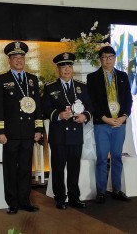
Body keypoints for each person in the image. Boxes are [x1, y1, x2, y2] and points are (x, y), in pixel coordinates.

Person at [0, 41, 43, 214]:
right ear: (9, 60)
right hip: (10, 134)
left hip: (28, 132)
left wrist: (38, 129)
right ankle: (12, 202)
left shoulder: (32, 79)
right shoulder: (2, 79)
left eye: (22, 57)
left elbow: (38, 107)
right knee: (10, 169)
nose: (19, 60)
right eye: (15, 57)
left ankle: (25, 200)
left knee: (25, 168)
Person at [42, 52, 92, 210]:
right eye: (63, 67)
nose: (67, 69)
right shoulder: (50, 87)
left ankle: (74, 197)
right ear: (58, 69)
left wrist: (85, 116)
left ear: (72, 68)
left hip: (76, 134)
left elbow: (90, 107)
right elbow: (45, 109)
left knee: (74, 168)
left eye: (69, 66)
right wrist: (58, 115)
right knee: (57, 168)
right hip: (59, 135)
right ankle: (60, 198)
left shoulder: (81, 87)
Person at [87, 46, 132, 204]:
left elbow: (128, 99)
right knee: (101, 157)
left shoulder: (122, 76)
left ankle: (117, 189)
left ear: (115, 58)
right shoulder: (93, 77)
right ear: (100, 59)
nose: (108, 60)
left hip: (120, 123)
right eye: (104, 57)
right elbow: (92, 102)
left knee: (117, 157)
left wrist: (124, 116)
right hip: (102, 123)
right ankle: (101, 191)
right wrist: (104, 118)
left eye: (111, 57)